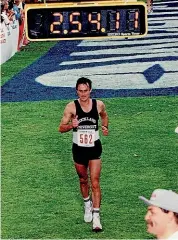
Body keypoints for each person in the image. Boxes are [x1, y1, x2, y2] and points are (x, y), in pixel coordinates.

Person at [59, 77, 109, 232]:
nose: (83, 94)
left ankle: (96, 217)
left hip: (94, 148)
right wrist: (70, 126)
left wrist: (105, 126)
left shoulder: (98, 104)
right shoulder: (71, 107)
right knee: (83, 179)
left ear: (90, 90)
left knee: (95, 181)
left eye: (85, 91)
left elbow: (104, 115)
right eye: (80, 91)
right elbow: (61, 128)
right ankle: (87, 204)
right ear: (76, 91)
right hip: (79, 149)